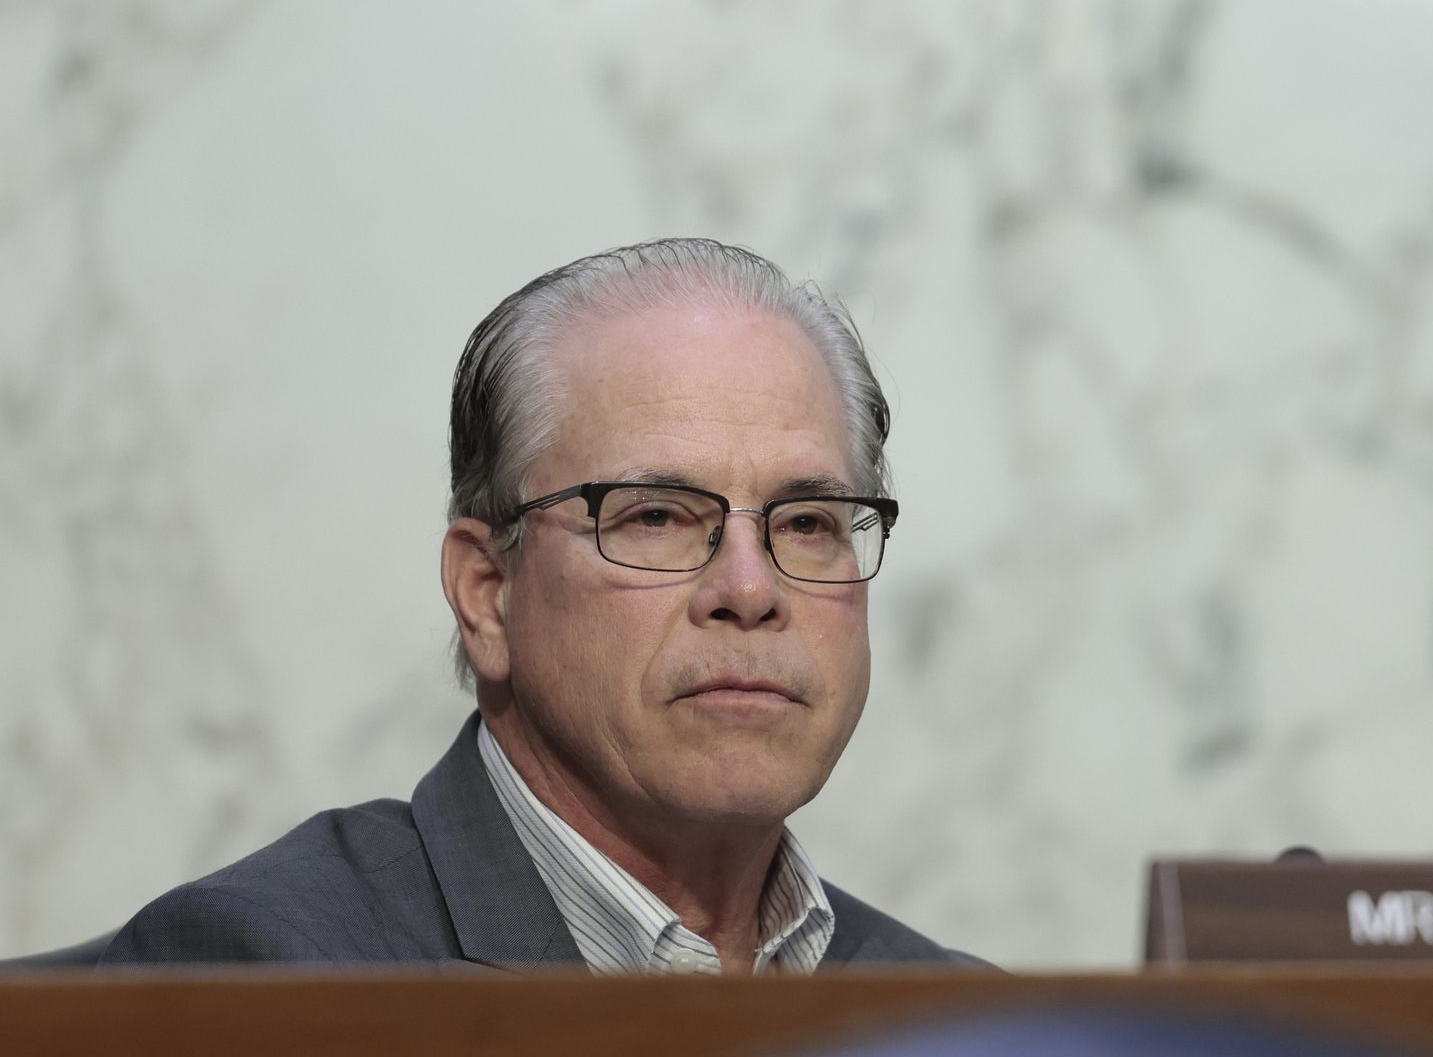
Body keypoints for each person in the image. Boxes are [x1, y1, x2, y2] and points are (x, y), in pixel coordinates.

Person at [99, 239, 982, 972]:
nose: (750, 591)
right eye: (656, 517)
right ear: (488, 593)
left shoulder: (962, 1016)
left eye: (807, 522)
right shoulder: (267, 976)